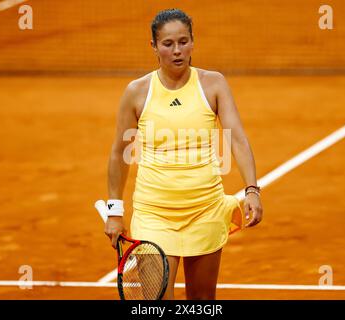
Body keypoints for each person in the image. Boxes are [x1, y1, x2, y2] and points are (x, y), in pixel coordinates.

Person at [104, 8, 263, 300]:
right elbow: (118, 153)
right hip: (154, 214)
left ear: (192, 42)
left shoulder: (213, 84)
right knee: (156, 304)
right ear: (154, 46)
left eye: (183, 41)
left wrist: (252, 189)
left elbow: (237, 139)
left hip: (205, 210)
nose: (177, 51)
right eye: (168, 44)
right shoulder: (137, 92)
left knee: (201, 302)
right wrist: (115, 211)